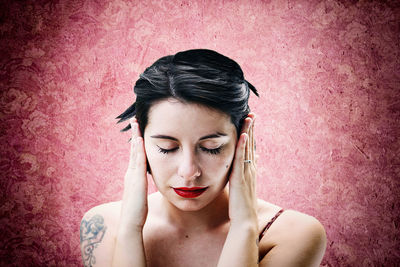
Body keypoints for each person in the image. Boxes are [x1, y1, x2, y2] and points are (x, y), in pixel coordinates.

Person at [80, 49, 327, 267]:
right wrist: (131, 230)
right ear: (140, 142)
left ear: (245, 139)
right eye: (167, 148)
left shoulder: (292, 234)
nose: (189, 171)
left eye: (211, 147)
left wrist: (244, 227)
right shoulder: (103, 226)